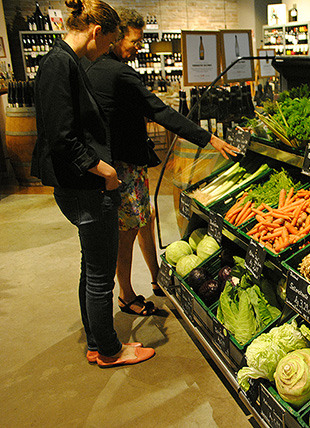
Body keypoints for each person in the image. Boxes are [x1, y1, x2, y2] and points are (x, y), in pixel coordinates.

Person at [84, 9, 238, 316]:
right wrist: (209, 138)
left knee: (145, 218)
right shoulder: (119, 73)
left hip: (113, 160)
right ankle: (126, 294)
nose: (138, 47)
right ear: (116, 37)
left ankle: (156, 277)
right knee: (127, 229)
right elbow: (160, 111)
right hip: (124, 164)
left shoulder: (92, 67)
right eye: (134, 40)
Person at [31, 0, 154, 368]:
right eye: (109, 42)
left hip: (82, 183)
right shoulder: (60, 64)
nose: (107, 50)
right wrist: (106, 172)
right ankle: (111, 350)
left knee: (92, 267)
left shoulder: (65, 61)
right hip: (86, 185)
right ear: (96, 32)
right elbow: (62, 136)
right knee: (100, 273)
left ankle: (96, 342)